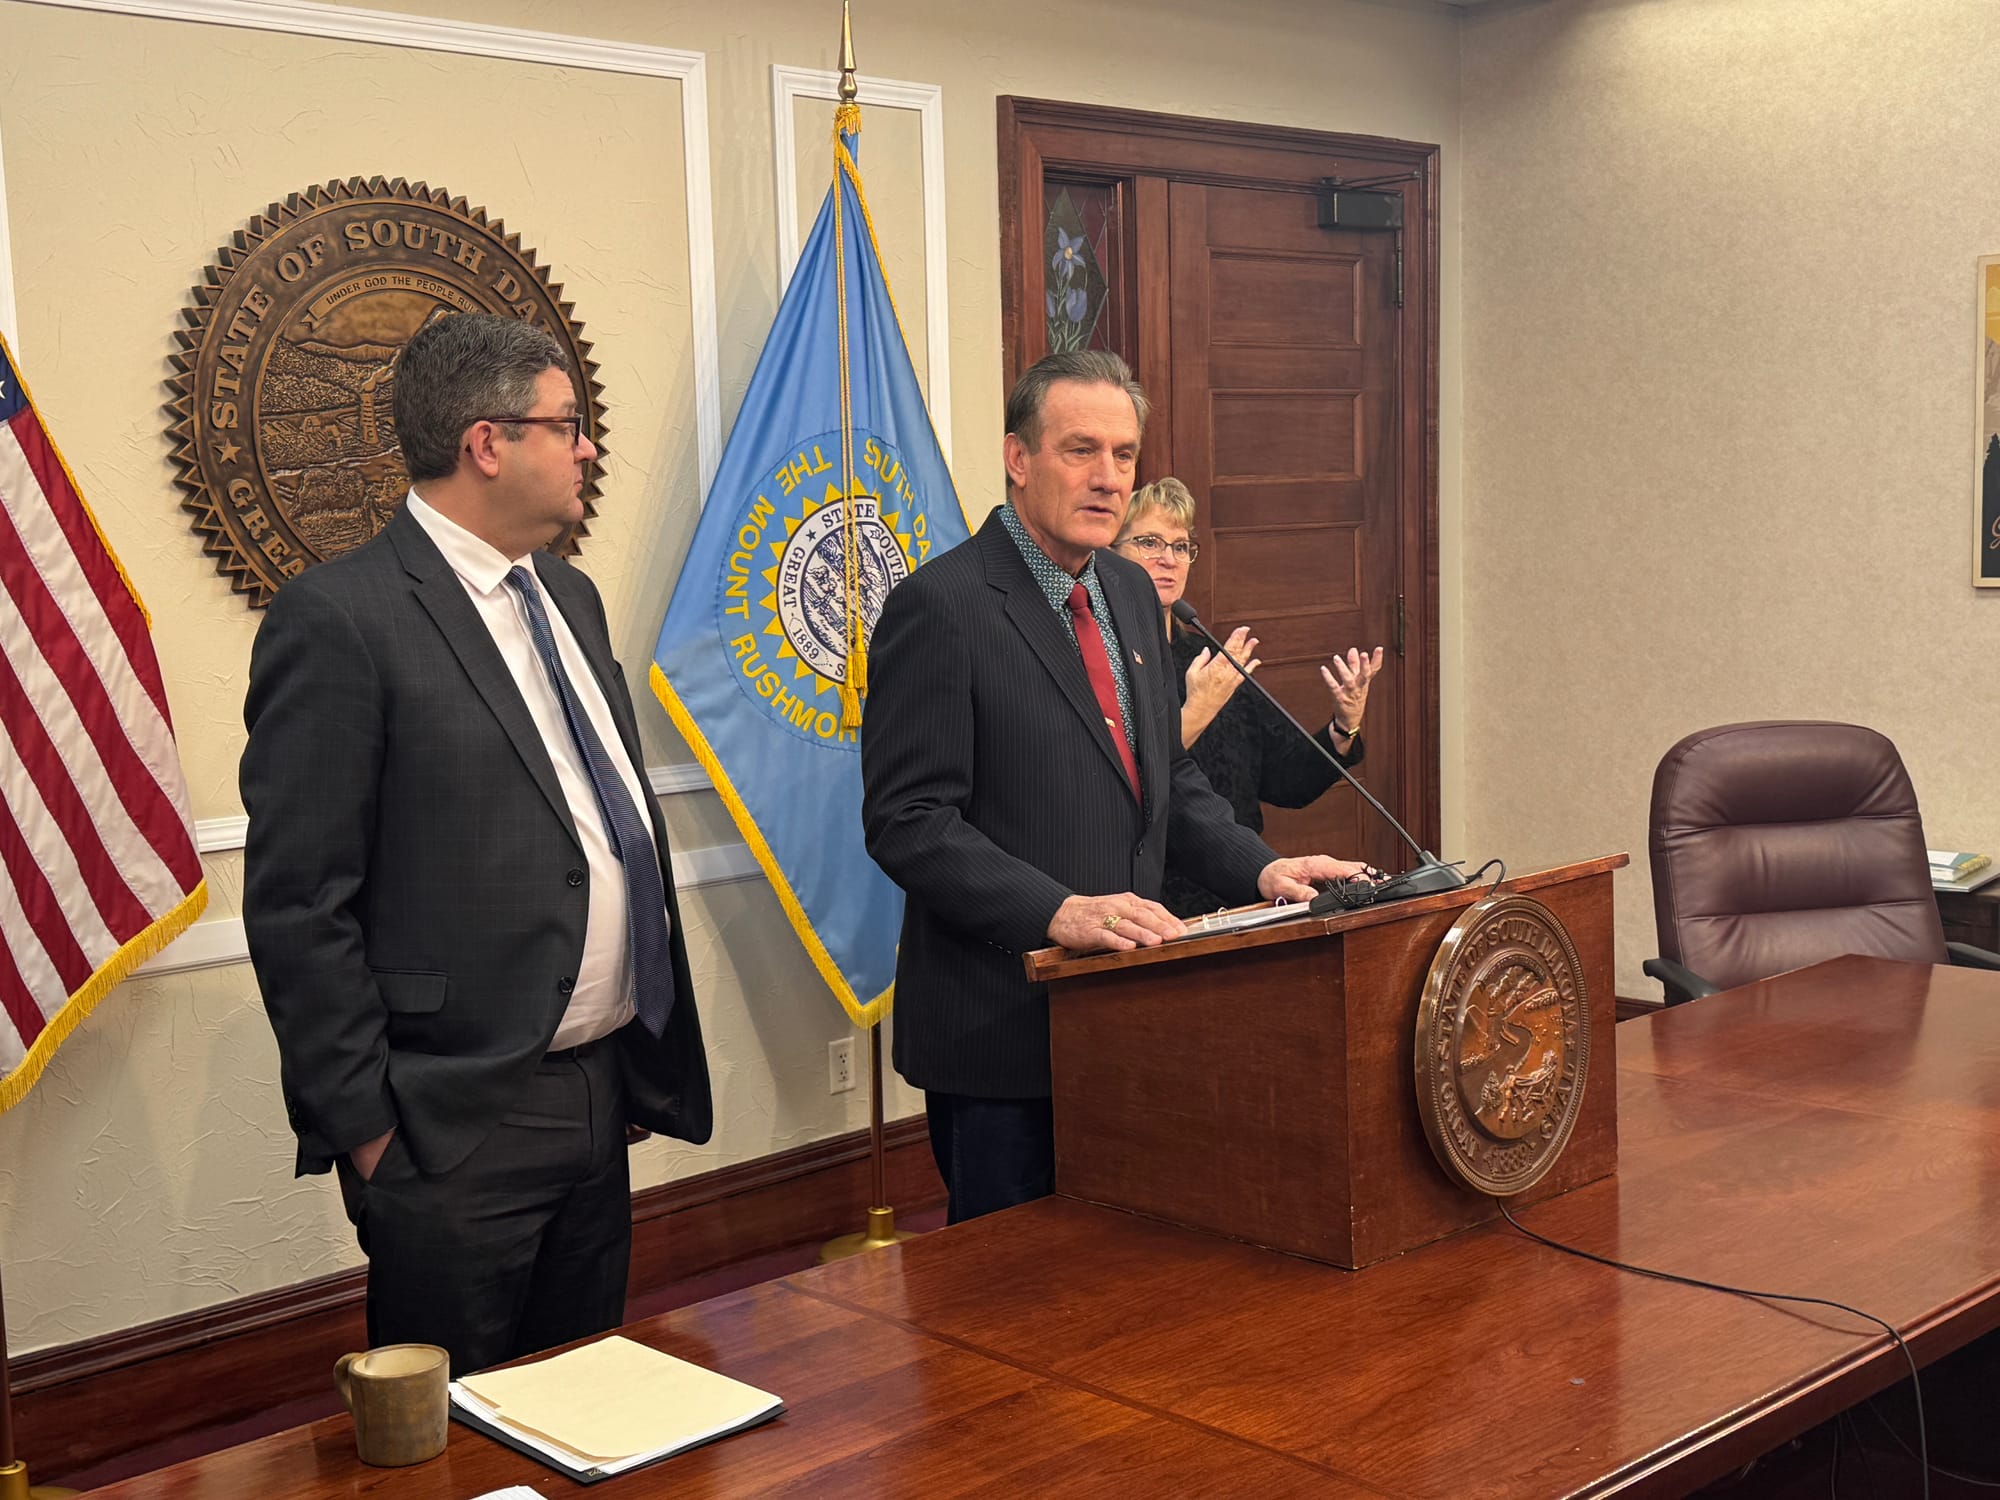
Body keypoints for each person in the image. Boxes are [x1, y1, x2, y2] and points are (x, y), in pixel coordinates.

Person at [240, 313, 711, 1374]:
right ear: (486, 444)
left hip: (599, 1093)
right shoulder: (342, 617)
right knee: (457, 1441)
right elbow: (297, 902)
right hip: (450, 1122)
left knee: (583, 1398)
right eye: (568, 425)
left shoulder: (570, 598)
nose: (590, 447)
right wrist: (372, 1133)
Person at [860, 350, 1369, 1224]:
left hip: (1130, 1019)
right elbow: (908, 822)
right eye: (1080, 451)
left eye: (1124, 456)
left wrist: (1260, 870)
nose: (1107, 480)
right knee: (1010, 1309)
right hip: (1004, 1029)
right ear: (1019, 459)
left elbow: (1162, 774)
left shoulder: (1132, 592)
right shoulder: (941, 607)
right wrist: (1056, 910)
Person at [1112, 476, 1385, 917]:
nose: (1168, 560)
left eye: (1181, 547)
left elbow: (1285, 781)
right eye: (1149, 542)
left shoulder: (1211, 659)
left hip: (1247, 891)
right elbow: (1116, 792)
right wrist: (1195, 712)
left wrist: (1342, 727)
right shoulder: (1104, 660)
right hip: (1159, 908)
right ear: (1109, 554)